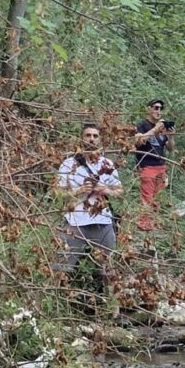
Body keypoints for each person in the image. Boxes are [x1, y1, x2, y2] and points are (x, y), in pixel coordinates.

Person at [53, 123, 123, 289]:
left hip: (102, 220)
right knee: (61, 267)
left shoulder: (107, 164)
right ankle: (56, 301)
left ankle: (112, 307)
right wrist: (79, 190)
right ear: (81, 138)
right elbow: (57, 192)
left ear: (100, 139)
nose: (91, 139)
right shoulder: (69, 164)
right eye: (88, 135)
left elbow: (120, 190)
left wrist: (104, 189)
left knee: (108, 269)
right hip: (75, 222)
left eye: (95, 136)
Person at [133, 98, 173, 231]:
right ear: (148, 109)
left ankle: (153, 223)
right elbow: (139, 141)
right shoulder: (142, 125)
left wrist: (170, 135)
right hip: (147, 165)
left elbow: (171, 147)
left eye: (161, 108)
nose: (158, 111)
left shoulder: (162, 129)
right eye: (156, 108)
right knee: (147, 197)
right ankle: (144, 225)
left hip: (161, 166)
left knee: (157, 198)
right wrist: (155, 129)